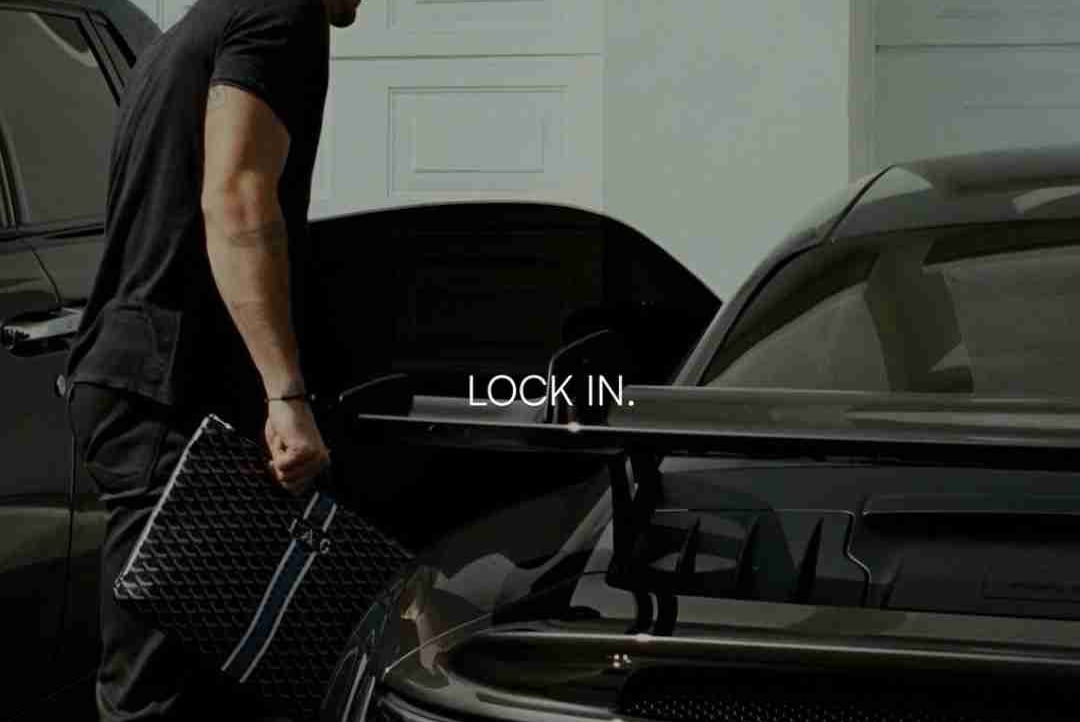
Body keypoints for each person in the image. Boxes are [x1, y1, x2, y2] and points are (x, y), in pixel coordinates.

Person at [64, 0, 364, 717]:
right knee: (155, 696)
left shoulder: (184, 37)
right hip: (173, 402)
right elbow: (237, 199)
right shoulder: (282, 14)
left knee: (214, 685)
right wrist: (286, 397)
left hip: (139, 381)